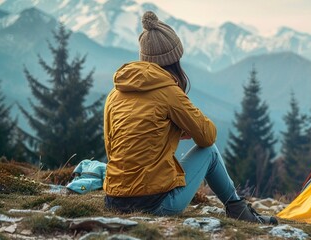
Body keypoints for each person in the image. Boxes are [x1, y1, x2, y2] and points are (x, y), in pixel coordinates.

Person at [103, 11, 277, 225]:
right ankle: (237, 209)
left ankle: (238, 209)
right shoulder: (168, 92)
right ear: (174, 59)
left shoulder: (115, 93)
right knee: (210, 152)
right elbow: (208, 137)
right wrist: (182, 127)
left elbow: (112, 145)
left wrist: (169, 130)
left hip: (113, 200)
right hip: (155, 205)